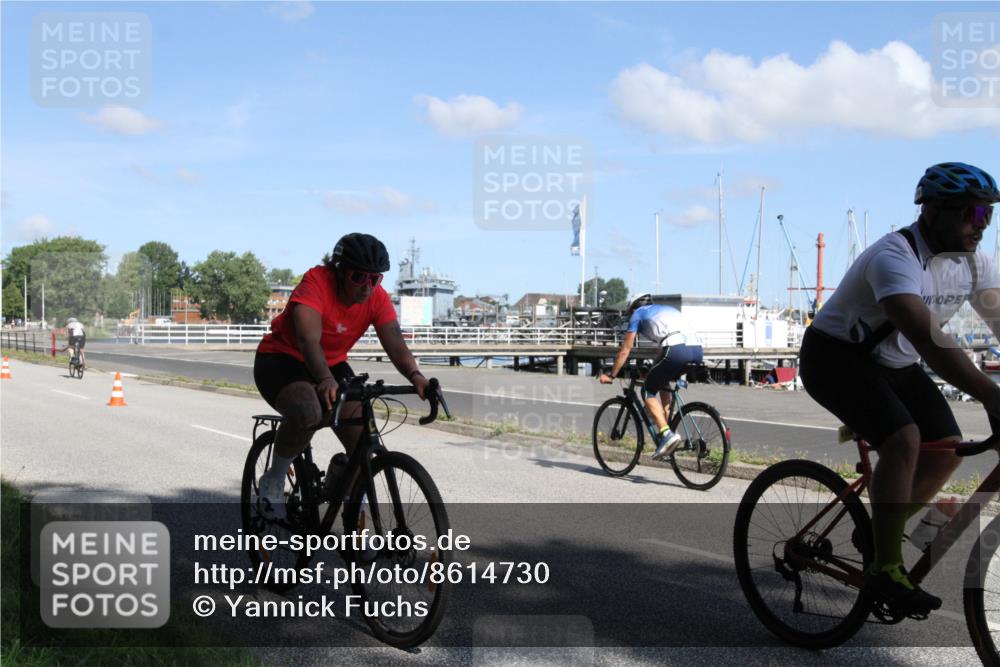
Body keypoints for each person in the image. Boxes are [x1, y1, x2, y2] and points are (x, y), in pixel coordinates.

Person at [799, 162, 1000, 616]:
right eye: (971, 213)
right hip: (835, 358)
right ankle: (885, 568)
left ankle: (876, 532)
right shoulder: (895, 256)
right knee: (904, 439)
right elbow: (930, 341)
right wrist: (991, 393)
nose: (981, 225)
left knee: (948, 447)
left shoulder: (975, 263)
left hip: (897, 363)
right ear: (933, 211)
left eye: (988, 214)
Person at [253, 233, 430, 520]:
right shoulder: (316, 283)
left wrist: (416, 376)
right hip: (282, 358)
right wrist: (324, 379)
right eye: (359, 277)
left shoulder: (376, 298)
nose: (367, 286)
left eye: (375, 279)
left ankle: (351, 500)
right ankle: (273, 479)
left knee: (362, 436)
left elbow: (396, 344)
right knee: (308, 411)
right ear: (339, 270)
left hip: (333, 363)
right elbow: (308, 341)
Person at [599, 294, 704, 460]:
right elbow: (662, 352)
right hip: (697, 349)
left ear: (633, 307)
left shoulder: (637, 314)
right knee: (662, 384)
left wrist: (612, 375)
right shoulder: (664, 310)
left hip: (677, 349)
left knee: (648, 391)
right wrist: (652, 370)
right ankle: (669, 432)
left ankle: (667, 434)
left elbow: (625, 350)